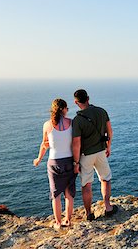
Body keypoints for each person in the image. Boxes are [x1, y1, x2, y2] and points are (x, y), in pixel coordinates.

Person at [72, 89, 117, 221]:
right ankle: (108, 207)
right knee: (105, 179)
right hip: (101, 152)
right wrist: (108, 147)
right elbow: (110, 132)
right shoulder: (102, 111)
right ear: (88, 98)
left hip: (86, 155)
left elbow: (76, 144)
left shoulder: (77, 120)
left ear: (76, 102)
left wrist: (75, 162)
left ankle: (89, 214)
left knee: (87, 184)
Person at [33, 99, 76, 230]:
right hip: (69, 161)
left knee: (55, 195)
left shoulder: (47, 125)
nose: (68, 111)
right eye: (67, 108)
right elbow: (76, 142)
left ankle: (58, 223)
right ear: (63, 109)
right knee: (69, 194)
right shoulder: (72, 123)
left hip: (54, 162)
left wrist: (38, 159)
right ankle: (68, 220)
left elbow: (44, 144)